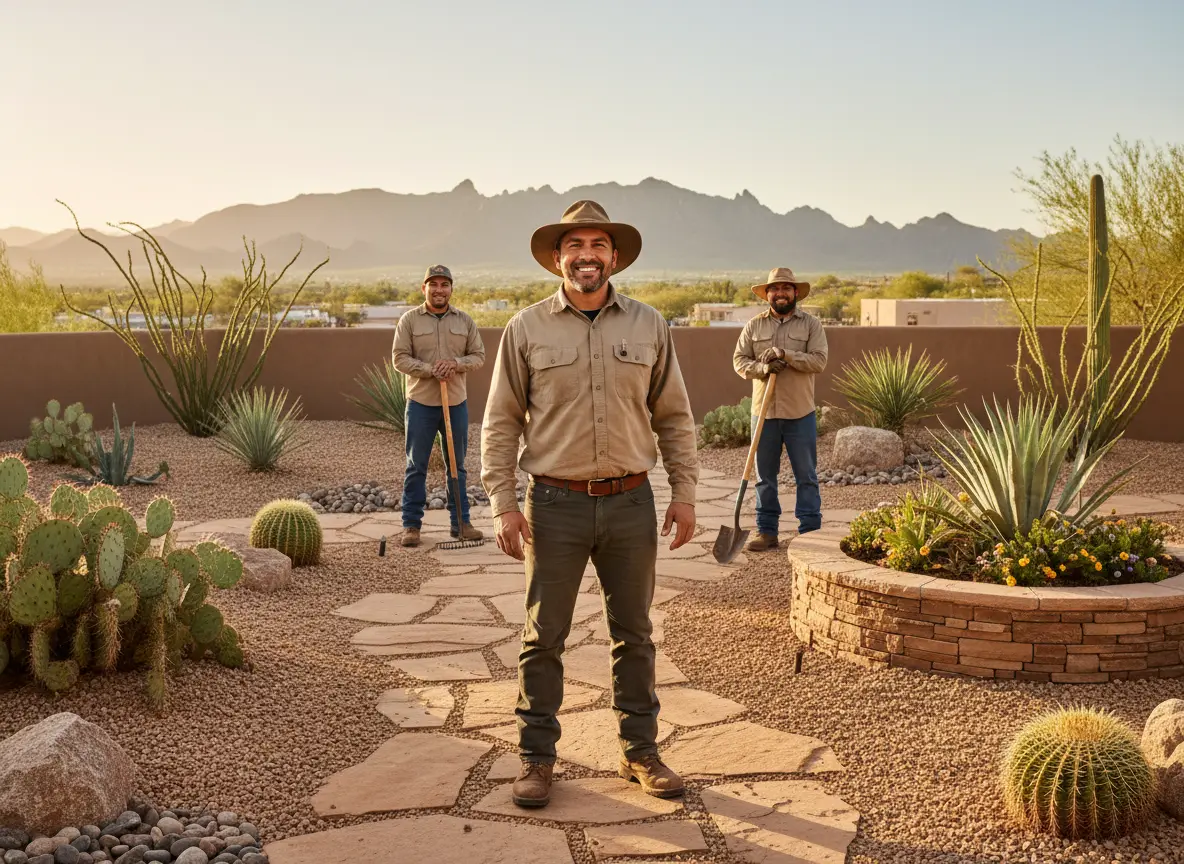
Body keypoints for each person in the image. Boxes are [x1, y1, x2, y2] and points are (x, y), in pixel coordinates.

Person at [481, 200, 699, 809]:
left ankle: (639, 752)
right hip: (554, 505)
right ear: (558, 257)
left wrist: (683, 493)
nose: (586, 255)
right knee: (543, 636)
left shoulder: (650, 325)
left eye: (598, 245)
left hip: (631, 502)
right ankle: (537, 759)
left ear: (613, 257)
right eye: (574, 245)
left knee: (634, 633)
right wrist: (503, 503)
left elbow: (675, 416)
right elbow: (500, 422)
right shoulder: (525, 329)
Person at [732, 267, 828, 551]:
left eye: (786, 288)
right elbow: (739, 361)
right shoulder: (754, 326)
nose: (780, 293)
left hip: (800, 413)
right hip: (764, 414)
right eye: (775, 289)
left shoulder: (811, 325)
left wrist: (786, 354)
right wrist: (763, 367)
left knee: (806, 476)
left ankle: (810, 532)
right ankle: (767, 531)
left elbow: (819, 361)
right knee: (764, 477)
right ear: (767, 295)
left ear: (795, 292)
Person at [391, 264, 486, 547]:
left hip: (455, 403)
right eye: (433, 284)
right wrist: (430, 369)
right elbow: (399, 358)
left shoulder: (465, 321)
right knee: (416, 465)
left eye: (444, 284)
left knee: (456, 465)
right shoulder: (409, 321)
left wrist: (455, 364)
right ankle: (411, 526)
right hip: (421, 403)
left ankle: (461, 524)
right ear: (424, 288)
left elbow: (478, 356)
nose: (439, 289)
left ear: (451, 289)